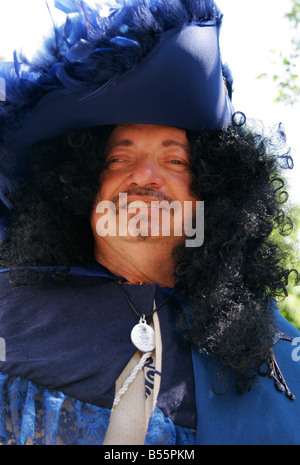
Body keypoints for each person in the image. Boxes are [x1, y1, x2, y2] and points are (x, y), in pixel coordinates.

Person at [0, 0, 299, 446]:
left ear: (210, 194)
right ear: (82, 188)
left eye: (175, 159)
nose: (145, 176)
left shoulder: (280, 353)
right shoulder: (10, 313)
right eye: (119, 157)